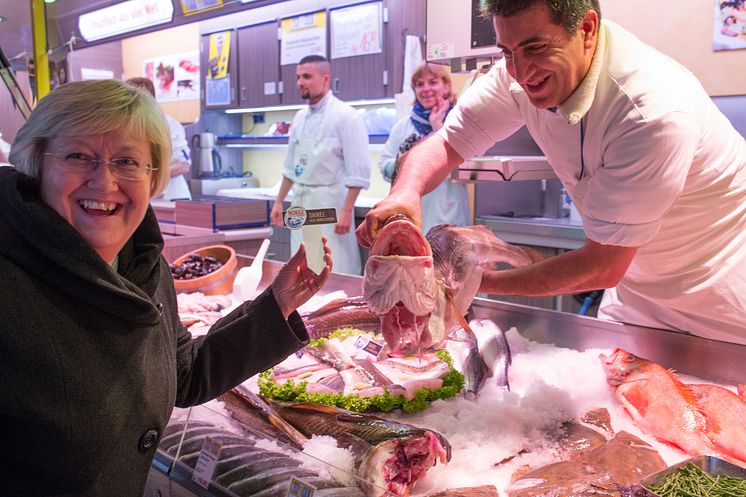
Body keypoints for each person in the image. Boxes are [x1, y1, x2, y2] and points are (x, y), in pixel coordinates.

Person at [0, 79, 332, 495]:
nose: (104, 183)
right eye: (78, 156)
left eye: (126, 161)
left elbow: (184, 374)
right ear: (38, 162)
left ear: (152, 174)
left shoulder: (143, 261)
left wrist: (276, 305)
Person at [358, 0, 746, 344]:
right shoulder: (514, 77)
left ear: (587, 29)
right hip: (633, 303)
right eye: (507, 51)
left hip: (718, 308)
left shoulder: (651, 114)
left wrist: (477, 283)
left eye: (536, 48)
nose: (521, 71)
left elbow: (601, 265)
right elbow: (447, 143)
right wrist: (404, 193)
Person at [271, 55, 371, 275]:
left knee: (330, 263)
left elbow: (359, 171)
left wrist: (347, 211)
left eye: (307, 76)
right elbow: (290, 166)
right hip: (300, 202)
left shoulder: (347, 117)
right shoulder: (298, 118)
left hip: (329, 205)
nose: (300, 82)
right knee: (300, 262)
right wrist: (279, 202)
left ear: (325, 79)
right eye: (298, 77)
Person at [379, 62, 469, 234]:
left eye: (433, 82)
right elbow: (385, 168)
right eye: (419, 84)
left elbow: (463, 167)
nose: (426, 88)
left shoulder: (460, 123)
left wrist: (438, 130)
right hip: (408, 213)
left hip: (447, 211)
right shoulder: (402, 127)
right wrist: (409, 158)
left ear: (446, 86)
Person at [126, 76, 193, 200]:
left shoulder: (168, 124)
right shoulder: (128, 125)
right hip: (147, 197)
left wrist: (148, 176)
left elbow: (183, 165)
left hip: (172, 197)